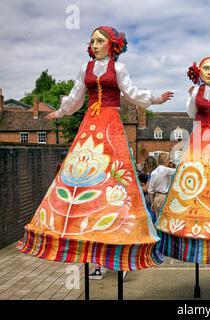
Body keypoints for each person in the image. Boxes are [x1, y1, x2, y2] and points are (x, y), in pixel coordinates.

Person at [17, 26, 173, 275]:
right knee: (84, 171)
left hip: (110, 121)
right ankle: (79, 221)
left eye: (100, 40)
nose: (95, 44)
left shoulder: (118, 68)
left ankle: (116, 227)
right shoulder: (85, 68)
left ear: (112, 45)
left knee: (114, 172)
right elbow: (76, 95)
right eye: (92, 41)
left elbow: (132, 92)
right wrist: (61, 111)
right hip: (91, 121)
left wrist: (155, 99)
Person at [155, 57, 210, 265]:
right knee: (197, 174)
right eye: (206, 68)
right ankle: (195, 219)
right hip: (199, 137)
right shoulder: (196, 91)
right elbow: (190, 113)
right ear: (199, 71)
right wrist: (191, 94)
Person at [148, 153, 176, 217]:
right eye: (169, 159)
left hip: (157, 198)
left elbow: (150, 190)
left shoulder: (153, 172)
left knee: (158, 219)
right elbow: (178, 170)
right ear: (165, 160)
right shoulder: (165, 169)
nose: (170, 160)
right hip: (164, 197)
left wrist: (152, 202)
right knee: (165, 219)